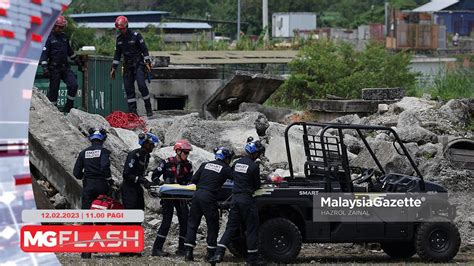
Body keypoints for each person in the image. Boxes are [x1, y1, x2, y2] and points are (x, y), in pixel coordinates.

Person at [209, 138, 265, 265]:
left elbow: (233, 177)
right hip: (246, 200)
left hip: (235, 199)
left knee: (230, 228)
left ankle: (218, 254)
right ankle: (252, 259)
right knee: (251, 228)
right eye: (258, 153)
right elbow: (257, 185)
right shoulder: (254, 166)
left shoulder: (237, 163)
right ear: (254, 153)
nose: (259, 155)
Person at [184, 147, 235, 262]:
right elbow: (236, 178)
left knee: (192, 223)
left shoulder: (204, 165)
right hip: (209, 197)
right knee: (212, 224)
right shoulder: (226, 168)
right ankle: (210, 252)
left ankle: (188, 252)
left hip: (197, 195)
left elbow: (194, 180)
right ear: (225, 158)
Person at [73, 128, 113, 259]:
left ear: (91, 139)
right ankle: (97, 245)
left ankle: (86, 251)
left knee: (87, 217)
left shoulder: (83, 153)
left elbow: (76, 173)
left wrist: (87, 175)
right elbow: (105, 166)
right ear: (102, 140)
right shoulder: (104, 151)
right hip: (102, 185)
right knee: (101, 215)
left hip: (88, 186)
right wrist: (108, 179)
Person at [151, 139, 193, 256]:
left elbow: (191, 180)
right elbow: (155, 175)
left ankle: (182, 248)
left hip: (182, 197)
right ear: (178, 151)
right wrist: (159, 184)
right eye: (185, 152)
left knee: (185, 221)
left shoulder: (188, 165)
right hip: (168, 196)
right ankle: (156, 249)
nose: (187, 155)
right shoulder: (167, 162)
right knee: (166, 222)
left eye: (188, 153)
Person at [110, 15, 153, 117]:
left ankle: (148, 108)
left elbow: (144, 49)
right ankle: (133, 113)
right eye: (120, 29)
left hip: (138, 64)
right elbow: (117, 55)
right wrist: (113, 68)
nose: (122, 31)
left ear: (127, 26)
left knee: (142, 85)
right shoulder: (119, 39)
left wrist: (147, 61)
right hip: (127, 66)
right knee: (129, 89)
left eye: (123, 28)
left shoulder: (136, 35)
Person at [39, 15, 79, 113]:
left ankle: (69, 106)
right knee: (53, 92)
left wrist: (77, 61)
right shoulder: (49, 38)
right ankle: (53, 112)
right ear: (54, 26)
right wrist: (45, 67)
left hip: (65, 67)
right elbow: (44, 54)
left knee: (74, 85)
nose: (60, 29)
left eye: (62, 27)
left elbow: (70, 51)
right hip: (54, 69)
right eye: (58, 27)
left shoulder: (64, 37)